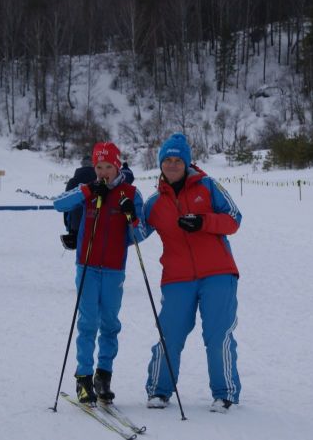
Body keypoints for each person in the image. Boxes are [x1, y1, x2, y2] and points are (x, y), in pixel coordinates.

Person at [140, 133, 242, 413]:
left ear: (187, 163)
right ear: (160, 164)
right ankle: (159, 391)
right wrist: (124, 211)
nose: (172, 165)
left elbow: (234, 219)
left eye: (178, 160)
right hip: (177, 278)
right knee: (170, 334)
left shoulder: (207, 186)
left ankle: (225, 393)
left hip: (218, 273)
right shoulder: (154, 203)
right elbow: (135, 233)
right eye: (167, 160)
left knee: (217, 335)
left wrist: (203, 222)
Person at [52, 141, 144, 405]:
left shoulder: (131, 193)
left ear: (117, 167)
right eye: (99, 167)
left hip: (114, 269)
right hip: (87, 266)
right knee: (87, 323)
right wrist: (87, 190)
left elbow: (139, 235)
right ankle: (83, 377)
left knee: (110, 324)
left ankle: (103, 376)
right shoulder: (88, 190)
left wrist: (131, 216)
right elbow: (58, 204)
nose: (104, 172)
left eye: (108, 167)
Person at [61, 155, 97, 250]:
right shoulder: (99, 180)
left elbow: (67, 205)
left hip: (76, 225)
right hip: (96, 224)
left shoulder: (73, 181)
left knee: (82, 254)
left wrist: (68, 226)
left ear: (82, 164)